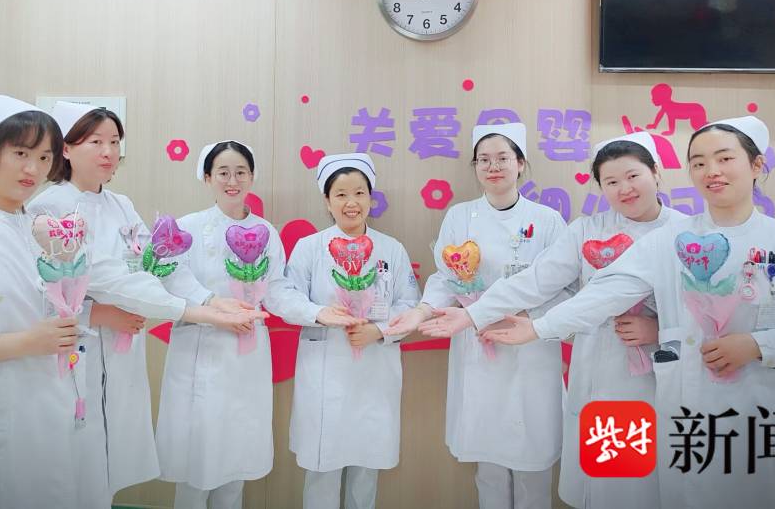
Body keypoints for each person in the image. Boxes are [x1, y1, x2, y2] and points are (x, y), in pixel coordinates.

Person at [0, 96, 262, 509]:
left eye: (42, 157)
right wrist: (21, 343)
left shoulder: (39, 229)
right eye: (20, 154)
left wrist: (206, 303)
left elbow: (109, 279)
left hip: (54, 395)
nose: (33, 169)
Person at [481, 116, 775, 509]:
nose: (711, 171)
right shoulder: (660, 240)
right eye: (699, 162)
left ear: (756, 164)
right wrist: (536, 326)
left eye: (724, 158)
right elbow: (601, 292)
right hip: (678, 409)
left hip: (763, 412)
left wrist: (757, 346)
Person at [418, 131, 676, 508]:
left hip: (657, 376)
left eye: (633, 176)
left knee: (652, 483)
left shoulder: (685, 231)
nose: (624, 189)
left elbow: (702, 312)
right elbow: (537, 280)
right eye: (611, 181)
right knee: (607, 480)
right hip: (598, 371)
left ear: (656, 171)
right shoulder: (588, 230)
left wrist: (661, 328)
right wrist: (473, 315)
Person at [156, 140, 361, 509]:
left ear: (252, 177)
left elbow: (277, 290)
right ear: (207, 178)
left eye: (241, 172)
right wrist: (213, 304)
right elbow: (172, 278)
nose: (232, 180)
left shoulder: (265, 231)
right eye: (223, 172)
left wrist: (316, 312)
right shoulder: (188, 227)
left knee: (236, 458)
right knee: (197, 463)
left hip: (246, 354)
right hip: (201, 348)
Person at [387, 123, 567, 509]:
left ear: (520, 163)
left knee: (532, 463)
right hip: (477, 344)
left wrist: (525, 314)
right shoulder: (460, 216)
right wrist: (421, 311)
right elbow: (446, 277)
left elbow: (563, 286)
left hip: (528, 344)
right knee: (488, 463)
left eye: (502, 158)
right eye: (483, 160)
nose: (493, 167)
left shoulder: (548, 220)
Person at [285, 153, 419, 509]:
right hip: (325, 371)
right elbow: (284, 296)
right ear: (327, 201)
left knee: (366, 466)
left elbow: (410, 303)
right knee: (322, 468)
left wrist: (380, 331)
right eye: (341, 194)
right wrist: (319, 313)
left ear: (371, 199)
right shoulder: (310, 247)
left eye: (359, 193)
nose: (351, 203)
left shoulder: (391, 249)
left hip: (374, 371)